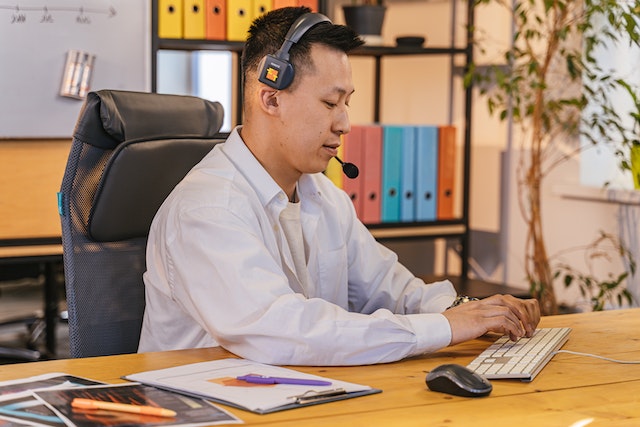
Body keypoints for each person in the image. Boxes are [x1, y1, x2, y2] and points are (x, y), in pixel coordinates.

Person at [138, 6, 540, 365]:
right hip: (202, 407)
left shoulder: (322, 195)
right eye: (330, 104)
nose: (345, 123)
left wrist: (471, 310)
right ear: (271, 99)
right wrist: (445, 328)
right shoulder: (207, 210)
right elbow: (286, 331)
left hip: (292, 398)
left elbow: (389, 288)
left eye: (347, 103)